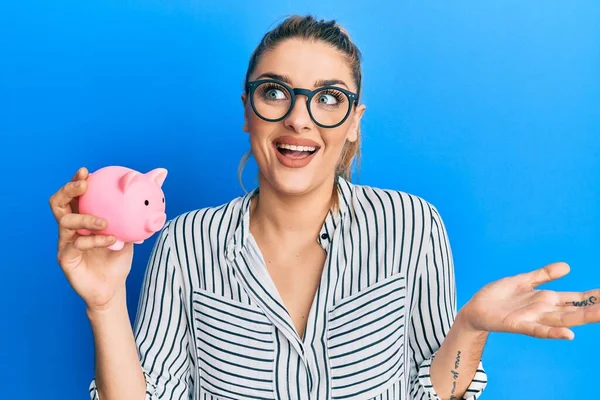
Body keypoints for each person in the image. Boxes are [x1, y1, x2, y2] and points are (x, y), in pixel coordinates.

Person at [48, 14, 600, 400]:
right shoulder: (185, 244)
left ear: (355, 121)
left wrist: (472, 328)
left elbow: (434, 396)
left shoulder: (413, 227)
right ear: (248, 111)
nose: (299, 118)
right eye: (275, 92)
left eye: (329, 97)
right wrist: (104, 302)